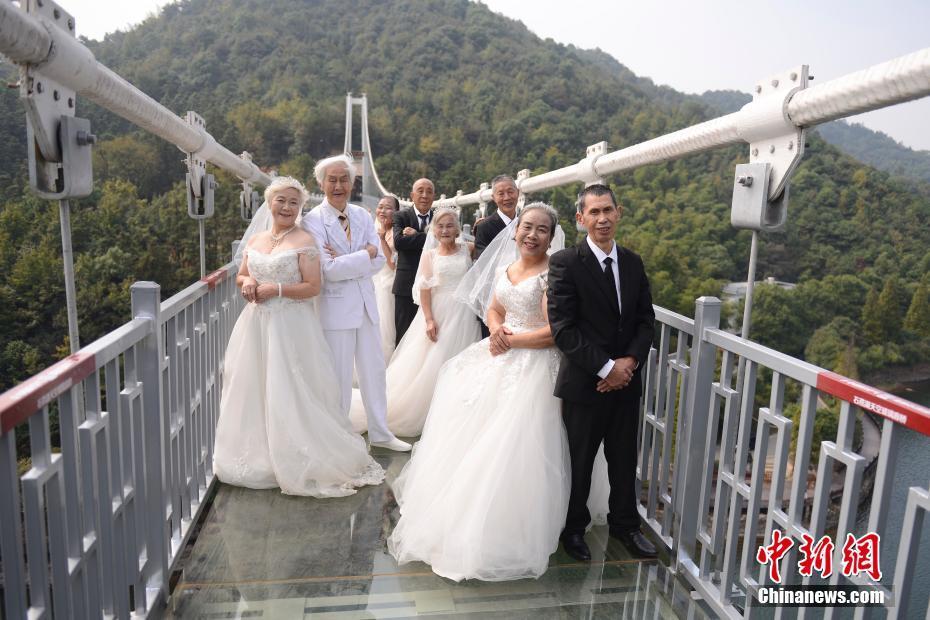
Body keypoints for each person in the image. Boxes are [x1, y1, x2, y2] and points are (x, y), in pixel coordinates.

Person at [388, 203, 569, 581]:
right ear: (515, 231)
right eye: (526, 227)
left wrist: (511, 340)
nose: (532, 235)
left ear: (552, 238)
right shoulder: (508, 268)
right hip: (502, 350)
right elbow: (494, 308)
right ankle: (457, 511)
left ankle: (507, 524)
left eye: (541, 230)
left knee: (511, 437)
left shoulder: (551, 276)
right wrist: (497, 329)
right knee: (462, 403)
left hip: (534, 363)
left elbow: (554, 331)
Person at [213, 176, 385, 496]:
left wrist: (277, 289)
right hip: (256, 324)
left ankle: (293, 453)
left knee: (289, 386)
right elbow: (243, 274)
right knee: (253, 385)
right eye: (281, 200)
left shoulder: (305, 240)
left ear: (300, 208)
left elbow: (313, 287)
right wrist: (247, 283)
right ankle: (259, 453)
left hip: (290, 325)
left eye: (294, 203)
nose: (287, 207)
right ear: (269, 203)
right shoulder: (256, 240)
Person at [547, 184, 657, 561]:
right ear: (581, 219)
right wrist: (607, 368)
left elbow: (645, 320)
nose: (602, 218)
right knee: (579, 461)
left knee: (624, 459)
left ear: (618, 212)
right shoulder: (565, 263)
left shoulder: (632, 262)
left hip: (626, 382)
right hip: (585, 382)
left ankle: (626, 526)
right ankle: (573, 530)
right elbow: (564, 329)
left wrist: (629, 364)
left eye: (608, 210)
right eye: (594, 212)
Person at [302, 155, 411, 452]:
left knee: (374, 372)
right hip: (335, 308)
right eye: (332, 180)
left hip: (366, 304)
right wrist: (364, 255)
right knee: (338, 377)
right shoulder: (312, 221)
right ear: (322, 184)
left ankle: (381, 433)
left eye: (344, 179)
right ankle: (338, 437)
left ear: (352, 183)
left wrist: (349, 259)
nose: (338, 185)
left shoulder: (362, 215)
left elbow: (380, 261)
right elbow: (328, 270)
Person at [351, 207, 479, 437]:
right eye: (440, 226)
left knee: (460, 359)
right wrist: (429, 319)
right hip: (439, 312)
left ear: (458, 229)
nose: (445, 230)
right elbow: (425, 289)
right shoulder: (430, 255)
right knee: (435, 359)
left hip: (464, 314)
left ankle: (454, 411)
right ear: (434, 230)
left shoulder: (468, 249)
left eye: (450, 225)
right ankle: (425, 409)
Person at [392, 178, 435, 345]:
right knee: (403, 334)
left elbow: (448, 241)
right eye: (420, 191)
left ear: (434, 196)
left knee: (429, 335)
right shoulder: (400, 216)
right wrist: (432, 238)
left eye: (429, 192)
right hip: (406, 285)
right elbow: (399, 243)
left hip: (434, 285)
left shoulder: (440, 218)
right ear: (412, 195)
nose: (425, 195)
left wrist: (416, 236)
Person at [374, 194, 400, 362]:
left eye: (388, 208)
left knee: (385, 329)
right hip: (372, 283)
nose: (382, 211)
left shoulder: (397, 233)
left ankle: (385, 365)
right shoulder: (371, 229)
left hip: (388, 286)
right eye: (380, 207)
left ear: (397, 212)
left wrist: (382, 239)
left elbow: (392, 265)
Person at [473, 174, 519, 258]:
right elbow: (482, 261)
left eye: (510, 192)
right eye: (501, 194)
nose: (507, 198)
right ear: (493, 198)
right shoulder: (484, 227)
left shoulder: (526, 223)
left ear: (518, 192)